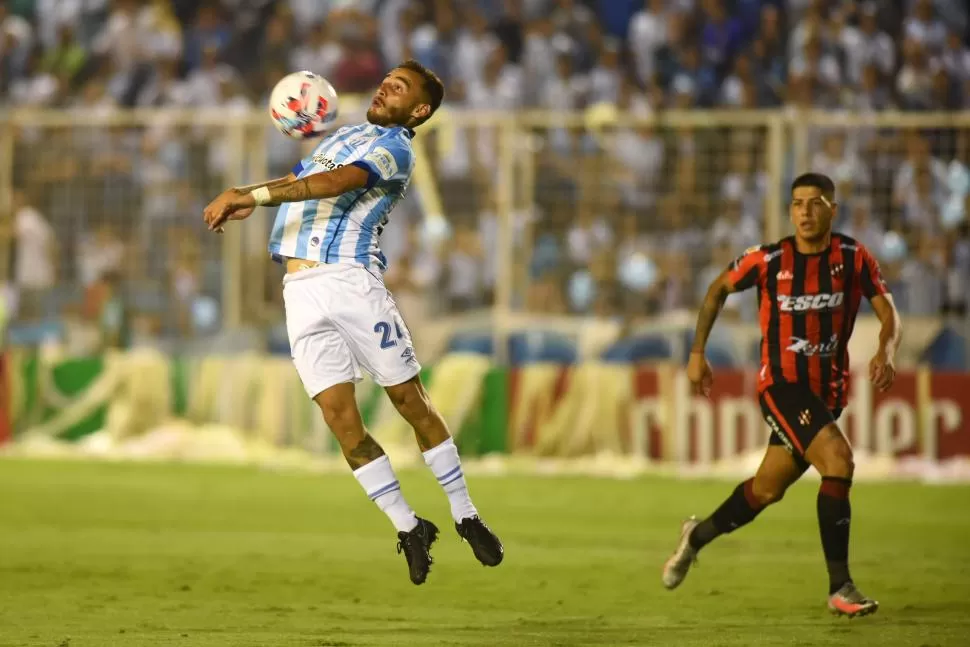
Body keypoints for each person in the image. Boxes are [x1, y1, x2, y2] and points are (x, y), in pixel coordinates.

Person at [202, 60, 503, 586]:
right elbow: (300, 179)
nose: (387, 85)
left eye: (400, 87)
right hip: (299, 290)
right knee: (341, 421)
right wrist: (250, 194)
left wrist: (249, 195)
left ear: (420, 109)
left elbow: (336, 183)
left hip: (351, 282)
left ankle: (465, 513)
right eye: (388, 79)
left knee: (409, 400)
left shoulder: (395, 149)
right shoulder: (345, 135)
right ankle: (410, 527)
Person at [662, 173, 901, 617]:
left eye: (814, 203)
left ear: (832, 208)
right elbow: (717, 289)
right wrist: (697, 353)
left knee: (766, 489)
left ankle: (695, 537)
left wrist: (886, 350)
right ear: (789, 211)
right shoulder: (768, 260)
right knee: (839, 460)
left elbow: (889, 313)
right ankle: (840, 587)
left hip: (827, 393)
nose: (805, 212)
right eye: (797, 204)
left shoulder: (853, 257)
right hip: (781, 388)